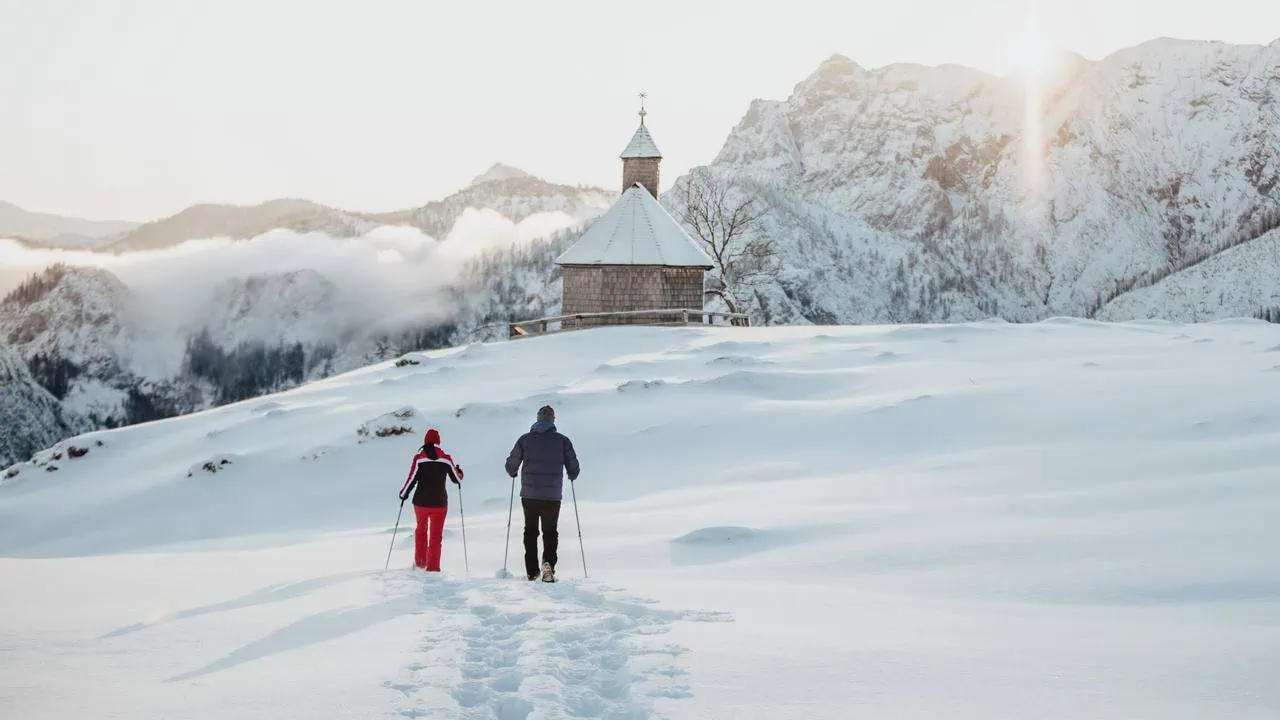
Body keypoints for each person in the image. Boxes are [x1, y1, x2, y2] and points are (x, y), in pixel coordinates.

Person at [505, 405, 579, 582]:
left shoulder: (525, 439)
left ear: (538, 419)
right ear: (553, 420)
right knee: (550, 531)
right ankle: (548, 566)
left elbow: (511, 465)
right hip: (552, 496)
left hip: (529, 495)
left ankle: (532, 571)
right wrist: (571, 474)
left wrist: (513, 471)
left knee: (530, 531)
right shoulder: (563, 441)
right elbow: (574, 469)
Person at [399, 428, 463, 572]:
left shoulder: (419, 458)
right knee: (436, 535)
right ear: (438, 442)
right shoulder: (446, 459)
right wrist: (460, 471)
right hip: (439, 504)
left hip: (420, 502)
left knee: (421, 531)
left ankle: (421, 563)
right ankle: (433, 568)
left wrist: (403, 494)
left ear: (425, 441)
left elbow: (411, 480)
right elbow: (457, 479)